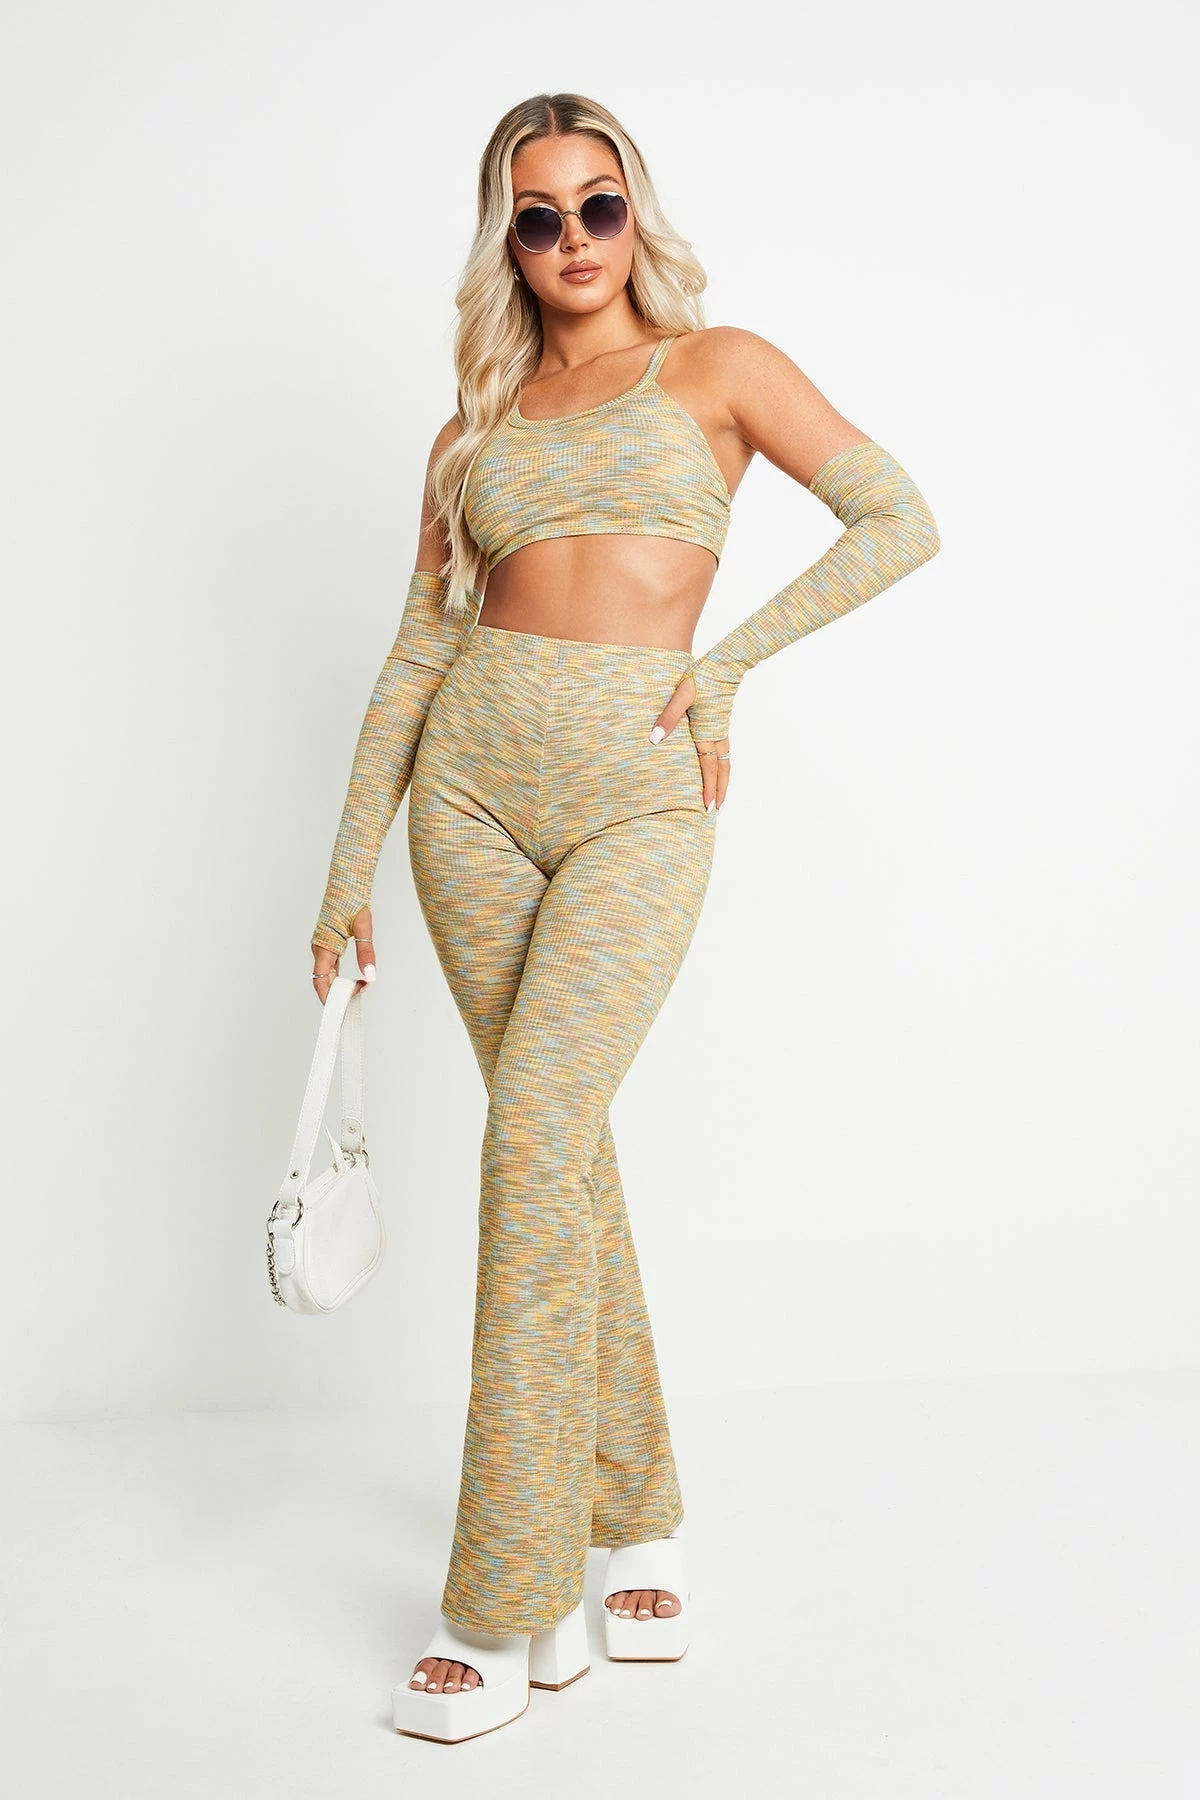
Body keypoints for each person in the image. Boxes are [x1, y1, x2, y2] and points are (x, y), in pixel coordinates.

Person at [309, 91, 940, 1745]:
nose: (574, 239)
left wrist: (725, 667)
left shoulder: (719, 369)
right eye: (539, 216)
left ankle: (503, 1601)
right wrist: (345, 869)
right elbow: (419, 653)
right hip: (467, 803)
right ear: (506, 242)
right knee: (559, 1153)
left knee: (532, 1136)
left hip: (637, 801)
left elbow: (900, 517)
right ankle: (636, 1514)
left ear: (634, 214)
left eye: (599, 205)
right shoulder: (474, 429)